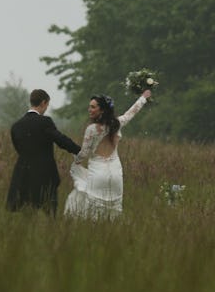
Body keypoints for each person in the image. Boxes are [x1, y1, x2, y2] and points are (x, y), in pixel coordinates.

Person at [64, 90, 151, 220]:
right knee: (114, 213)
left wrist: (75, 160)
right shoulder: (117, 123)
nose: (89, 109)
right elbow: (131, 113)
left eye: (93, 107)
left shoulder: (92, 129)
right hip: (116, 174)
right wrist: (143, 98)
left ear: (102, 110)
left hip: (98, 174)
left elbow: (84, 154)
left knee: (92, 213)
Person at [6, 89, 81, 215]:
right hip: (44, 174)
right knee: (49, 212)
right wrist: (79, 150)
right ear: (43, 102)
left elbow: (19, 149)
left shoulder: (16, 126)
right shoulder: (45, 122)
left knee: (25, 212)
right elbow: (60, 139)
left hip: (23, 174)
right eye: (47, 105)